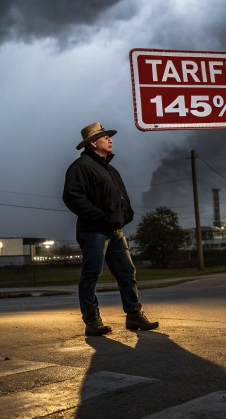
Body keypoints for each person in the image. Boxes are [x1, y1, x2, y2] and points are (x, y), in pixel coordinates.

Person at [63, 122, 159, 336]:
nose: (110, 139)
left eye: (109, 137)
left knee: (127, 272)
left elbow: (120, 196)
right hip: (93, 231)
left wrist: (127, 213)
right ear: (93, 142)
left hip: (115, 232)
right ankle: (92, 320)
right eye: (105, 137)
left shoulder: (109, 168)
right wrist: (100, 217)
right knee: (91, 274)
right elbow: (73, 197)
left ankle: (134, 315)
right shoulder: (81, 166)